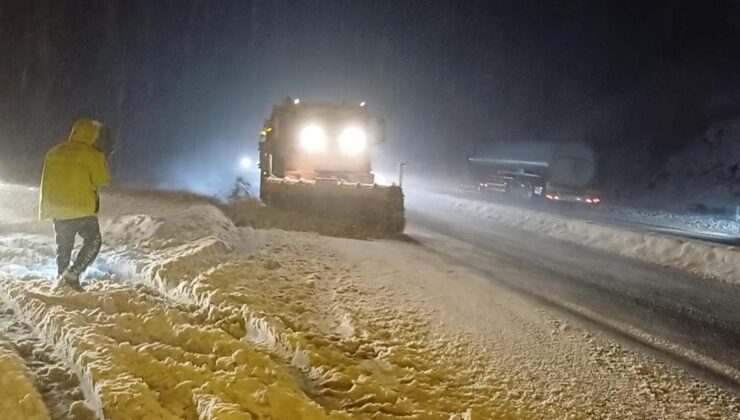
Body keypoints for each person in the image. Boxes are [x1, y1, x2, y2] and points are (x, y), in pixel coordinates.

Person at [39, 119, 110, 290]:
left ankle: (62, 275)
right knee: (93, 241)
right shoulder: (93, 154)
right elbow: (103, 179)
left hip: (57, 206)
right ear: (93, 135)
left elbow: (46, 180)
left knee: (64, 244)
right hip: (81, 207)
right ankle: (73, 274)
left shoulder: (54, 152)